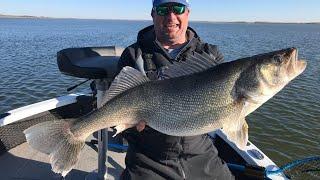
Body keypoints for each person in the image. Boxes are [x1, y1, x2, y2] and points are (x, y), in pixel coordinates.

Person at [118, 0, 234, 179]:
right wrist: (131, 127)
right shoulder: (134, 55)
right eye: (163, 9)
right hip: (149, 159)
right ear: (153, 14)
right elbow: (118, 104)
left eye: (178, 9)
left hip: (200, 154)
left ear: (187, 12)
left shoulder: (210, 54)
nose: (171, 16)